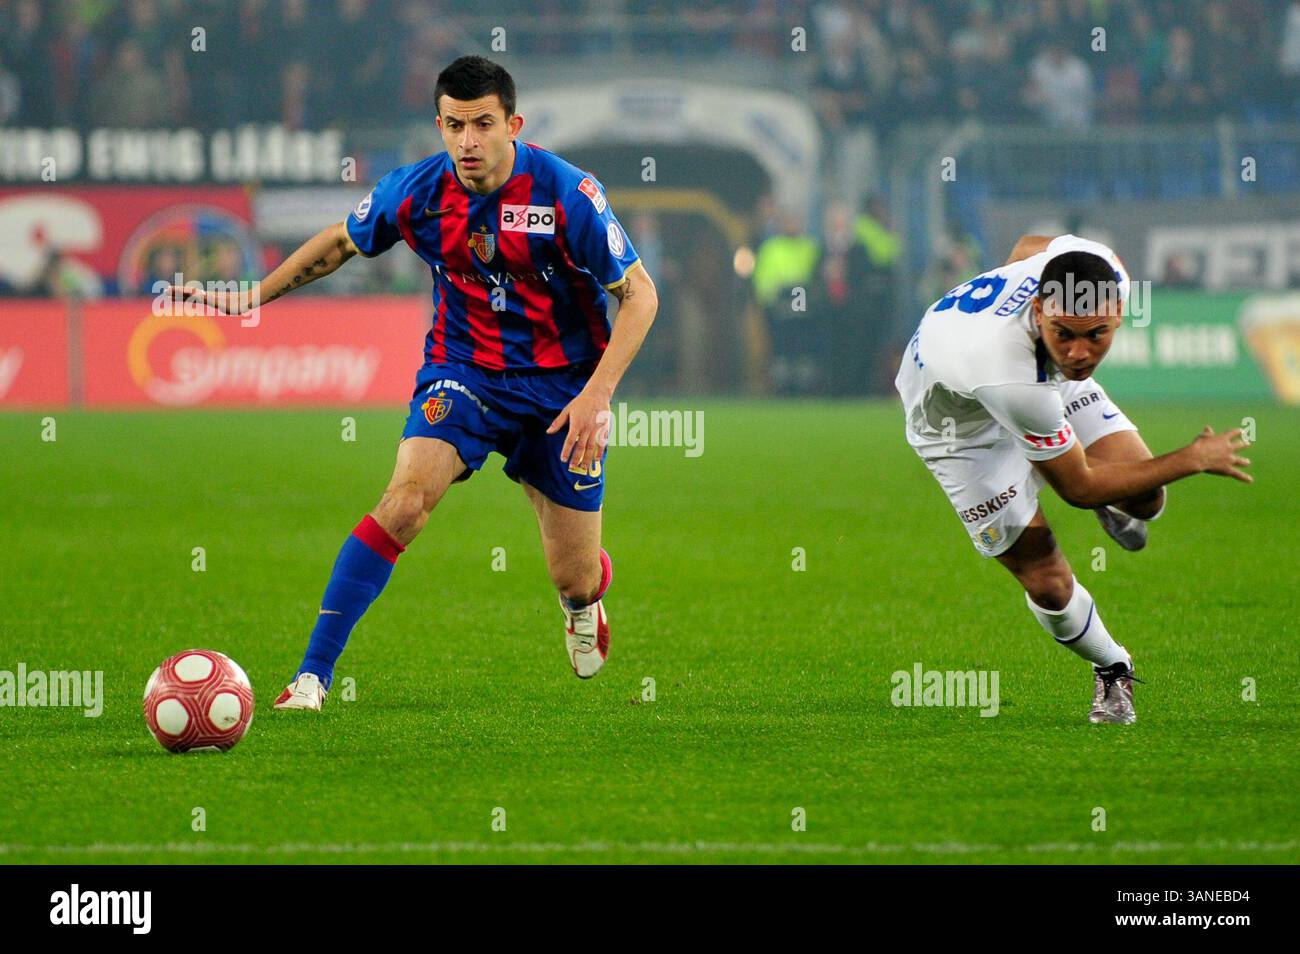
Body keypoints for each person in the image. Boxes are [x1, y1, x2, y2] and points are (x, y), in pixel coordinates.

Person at [169, 56, 657, 707]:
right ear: (439, 124)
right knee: (403, 502)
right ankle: (313, 676)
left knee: (574, 576)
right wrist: (254, 295)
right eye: (455, 125)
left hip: (564, 391)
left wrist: (597, 396)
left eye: (483, 124)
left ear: (513, 124)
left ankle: (584, 602)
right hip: (464, 374)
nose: (468, 141)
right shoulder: (418, 191)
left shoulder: (568, 194)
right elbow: (342, 243)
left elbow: (642, 295)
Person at [894, 234, 1252, 724]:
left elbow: (1025, 246)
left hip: (1042, 386)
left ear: (1120, 312)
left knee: (1146, 499)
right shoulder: (1007, 371)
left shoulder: (1104, 270)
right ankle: (1113, 666)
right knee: (1048, 583)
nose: (1081, 354)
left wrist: (1022, 303)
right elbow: (1078, 489)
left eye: (1097, 335)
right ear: (1039, 312)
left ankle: (1074, 462)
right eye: (1065, 333)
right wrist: (1192, 457)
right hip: (960, 432)